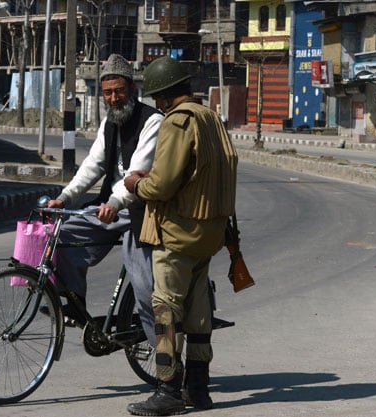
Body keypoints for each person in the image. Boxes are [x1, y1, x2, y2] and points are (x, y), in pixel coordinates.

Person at [124, 56, 238, 416]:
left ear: (162, 96)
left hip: (177, 232)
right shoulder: (210, 118)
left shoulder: (178, 121)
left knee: (166, 310)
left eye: (156, 97)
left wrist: (136, 184)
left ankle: (169, 390)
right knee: (199, 313)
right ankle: (199, 390)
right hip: (210, 232)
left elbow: (164, 183)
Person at [46, 54, 163, 347]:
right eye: (108, 92)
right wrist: (65, 197)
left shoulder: (152, 122)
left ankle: (167, 369)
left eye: (119, 91)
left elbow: (139, 171)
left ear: (132, 89)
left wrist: (115, 202)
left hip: (140, 212)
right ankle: (75, 305)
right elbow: (93, 165)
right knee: (62, 237)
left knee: (145, 290)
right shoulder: (109, 123)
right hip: (109, 208)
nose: (113, 98)